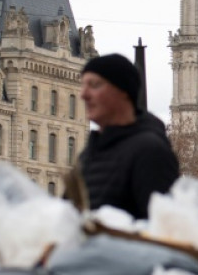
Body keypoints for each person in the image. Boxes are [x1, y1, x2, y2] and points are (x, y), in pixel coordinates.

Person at [64, 54, 179, 219]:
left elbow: (161, 229)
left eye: (94, 85)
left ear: (123, 91)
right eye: (83, 85)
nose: (84, 94)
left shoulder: (150, 151)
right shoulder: (88, 154)